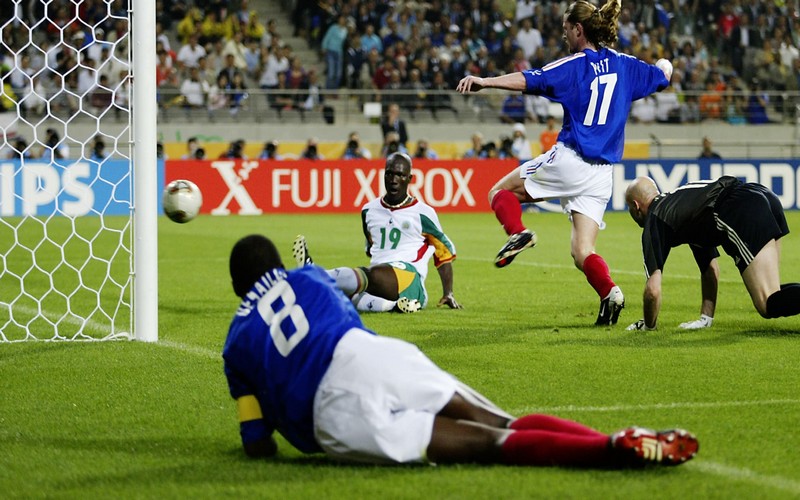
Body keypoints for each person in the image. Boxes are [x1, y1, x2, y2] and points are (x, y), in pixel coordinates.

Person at [223, 233, 700, 466]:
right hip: (370, 354)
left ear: (236, 286)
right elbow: (361, 278)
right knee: (502, 422)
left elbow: (256, 442)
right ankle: (610, 438)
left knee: (489, 446)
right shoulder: (307, 275)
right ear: (279, 266)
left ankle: (611, 452)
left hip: (332, 412)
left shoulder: (236, 343)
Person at [456, 0, 672, 326]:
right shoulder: (626, 65)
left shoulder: (573, 65)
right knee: (582, 250)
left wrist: (486, 81)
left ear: (578, 29)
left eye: (566, 29)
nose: (565, 35)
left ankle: (520, 233)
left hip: (571, 158)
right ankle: (610, 292)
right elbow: (661, 76)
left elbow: (530, 79)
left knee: (500, 192)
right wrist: (665, 64)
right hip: (602, 174)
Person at [624, 176, 800, 330]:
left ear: (636, 206)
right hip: (761, 194)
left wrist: (648, 326)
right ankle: (706, 319)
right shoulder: (684, 206)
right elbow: (710, 270)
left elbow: (652, 291)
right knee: (775, 293)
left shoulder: (655, 219)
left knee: (767, 303)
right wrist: (705, 318)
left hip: (740, 206)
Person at [293, 152, 461, 313]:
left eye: (400, 175)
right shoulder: (369, 211)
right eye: (389, 174)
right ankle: (395, 306)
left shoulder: (423, 213)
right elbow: (371, 247)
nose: (394, 180)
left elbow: (443, 252)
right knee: (344, 298)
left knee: (364, 277)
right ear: (383, 175)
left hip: (410, 280)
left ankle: (313, 273)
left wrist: (448, 292)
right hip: (379, 278)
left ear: (409, 179)